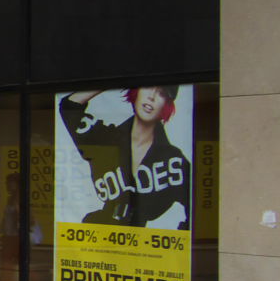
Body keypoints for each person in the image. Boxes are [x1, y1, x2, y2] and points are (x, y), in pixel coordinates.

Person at [60, 88, 191, 228]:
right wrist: (112, 80)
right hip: (99, 238)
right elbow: (70, 107)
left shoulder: (173, 162)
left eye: (162, 93)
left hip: (142, 244)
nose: (151, 97)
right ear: (136, 92)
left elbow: (196, 205)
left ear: (167, 105)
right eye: (147, 88)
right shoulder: (106, 140)